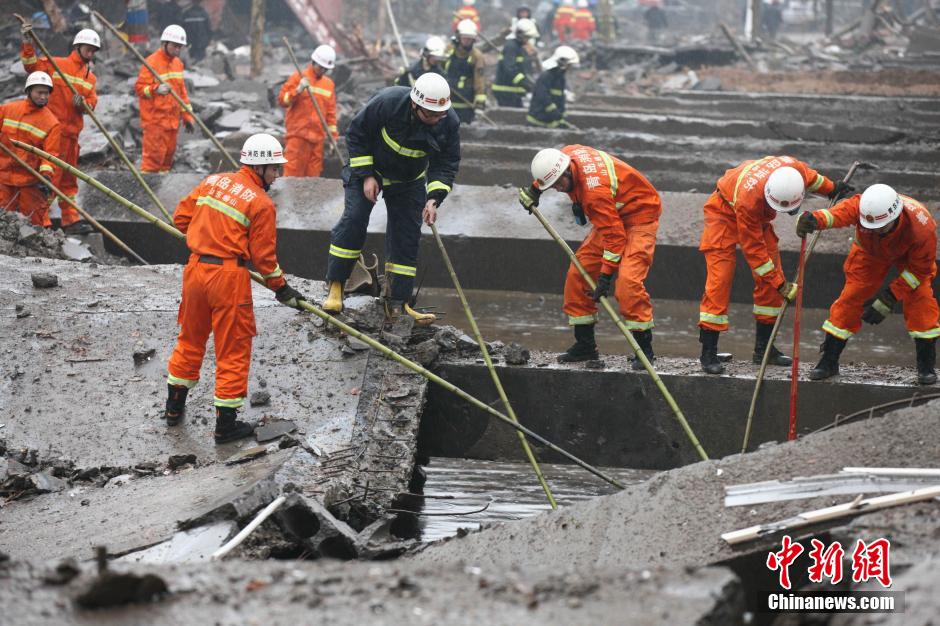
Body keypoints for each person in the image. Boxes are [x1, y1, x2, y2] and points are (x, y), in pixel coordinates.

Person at [164, 133, 307, 443]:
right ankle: (225, 427)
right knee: (233, 349)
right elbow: (265, 259)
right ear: (259, 167)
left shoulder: (213, 181)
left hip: (195, 270)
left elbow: (180, 218)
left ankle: (173, 409)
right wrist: (282, 289)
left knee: (190, 339)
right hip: (227, 278)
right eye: (274, 169)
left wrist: (207, 237)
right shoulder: (261, 203)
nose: (277, 175)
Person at [322, 73, 460, 324]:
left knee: (406, 237)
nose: (436, 120)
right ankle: (336, 285)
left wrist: (434, 197)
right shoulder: (388, 102)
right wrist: (366, 175)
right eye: (430, 115)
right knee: (353, 220)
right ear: (415, 104)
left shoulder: (448, 121)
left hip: (409, 180)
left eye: (440, 115)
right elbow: (356, 134)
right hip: (370, 170)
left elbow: (446, 163)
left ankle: (397, 303)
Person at [697, 156, 850, 375]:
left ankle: (763, 350)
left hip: (757, 217)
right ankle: (708, 352)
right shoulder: (749, 201)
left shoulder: (794, 169)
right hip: (723, 213)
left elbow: (813, 179)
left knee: (769, 283)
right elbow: (755, 254)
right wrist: (781, 284)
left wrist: (833, 188)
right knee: (719, 281)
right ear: (769, 196)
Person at [519, 146, 662, 368]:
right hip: (612, 216)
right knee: (579, 274)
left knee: (627, 284)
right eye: (553, 185)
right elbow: (550, 172)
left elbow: (615, 239)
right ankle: (585, 346)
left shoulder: (594, 194)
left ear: (568, 172)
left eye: (559, 184)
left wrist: (605, 277)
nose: (557, 190)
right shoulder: (567, 155)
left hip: (639, 217)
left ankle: (645, 350)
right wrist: (535, 190)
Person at [797, 184, 939, 384]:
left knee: (921, 300)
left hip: (910, 259)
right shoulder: (863, 206)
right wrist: (814, 219)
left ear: (895, 217)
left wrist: (889, 297)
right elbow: (837, 214)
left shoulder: (922, 228)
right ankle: (828, 361)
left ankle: (926, 366)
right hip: (870, 253)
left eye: (881, 227)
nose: (877, 230)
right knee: (850, 299)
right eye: (872, 227)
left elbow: (920, 269)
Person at [21, 25, 99, 235]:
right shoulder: (57, 64)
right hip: (54, 135)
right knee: (49, 180)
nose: (90, 54)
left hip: (73, 136)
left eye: (93, 50)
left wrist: (84, 105)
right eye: (88, 49)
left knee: (68, 182)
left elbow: (92, 103)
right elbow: (31, 67)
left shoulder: (90, 78)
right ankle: (40, 222)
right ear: (78, 46)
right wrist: (28, 43)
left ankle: (70, 220)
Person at [0, 72, 61, 228]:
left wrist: (45, 176)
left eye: (46, 93)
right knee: (3, 219)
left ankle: (44, 250)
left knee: (37, 223)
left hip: (30, 180)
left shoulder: (51, 123)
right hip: (4, 176)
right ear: (29, 91)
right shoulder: (8, 109)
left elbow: (50, 155)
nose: (43, 97)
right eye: (39, 92)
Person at [134, 25, 195, 173]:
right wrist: (156, 89)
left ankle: (162, 193)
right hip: (155, 122)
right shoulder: (151, 62)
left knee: (167, 160)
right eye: (175, 46)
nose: (177, 50)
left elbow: (182, 93)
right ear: (164, 43)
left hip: (172, 122)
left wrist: (187, 116)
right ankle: (147, 192)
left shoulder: (178, 64)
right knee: (153, 162)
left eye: (180, 47)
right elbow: (140, 88)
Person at [278, 44, 338, 178]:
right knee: (292, 177)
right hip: (297, 137)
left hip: (317, 141)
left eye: (325, 69)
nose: (322, 70)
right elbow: (282, 100)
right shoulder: (298, 77)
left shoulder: (329, 85)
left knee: (312, 181)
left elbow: (331, 114)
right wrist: (297, 91)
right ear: (313, 62)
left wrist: (333, 138)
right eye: (320, 67)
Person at [445, 20, 487, 125]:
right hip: (446, 98)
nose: (467, 41)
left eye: (470, 39)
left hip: (466, 102)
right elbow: (438, 70)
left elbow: (479, 81)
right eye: (465, 38)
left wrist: (480, 104)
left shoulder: (477, 56)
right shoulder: (449, 51)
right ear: (459, 37)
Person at [492, 18, 539, 107]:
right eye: (527, 37)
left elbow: (523, 69)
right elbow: (510, 69)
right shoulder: (511, 47)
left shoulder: (519, 47)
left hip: (514, 91)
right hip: (506, 91)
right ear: (520, 35)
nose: (528, 40)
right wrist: (524, 83)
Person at [527, 45, 577, 128]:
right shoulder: (546, 76)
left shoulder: (560, 78)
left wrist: (561, 117)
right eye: (570, 64)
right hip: (537, 121)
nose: (570, 67)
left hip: (549, 121)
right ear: (563, 63)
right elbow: (543, 97)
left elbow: (560, 99)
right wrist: (555, 113)